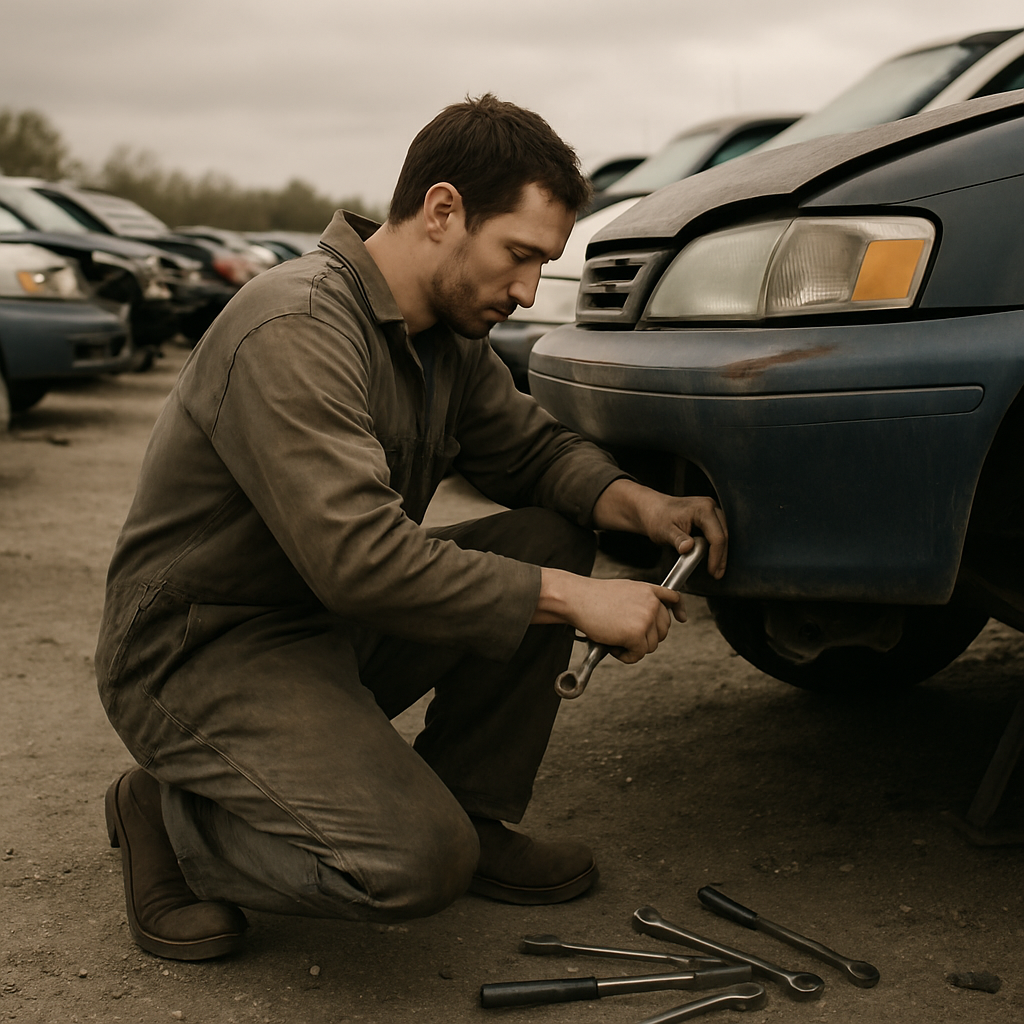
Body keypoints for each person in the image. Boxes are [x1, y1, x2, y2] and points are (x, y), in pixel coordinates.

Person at [96, 94, 728, 962]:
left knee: (547, 535)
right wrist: (577, 599)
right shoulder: (296, 325)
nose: (527, 289)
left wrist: (646, 508)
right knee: (410, 865)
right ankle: (168, 818)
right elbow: (360, 560)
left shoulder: (445, 339)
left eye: (542, 265)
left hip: (322, 626)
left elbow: (535, 455)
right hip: (202, 649)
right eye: (518, 255)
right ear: (443, 212)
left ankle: (468, 806)